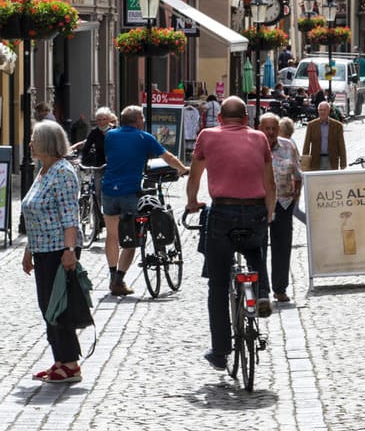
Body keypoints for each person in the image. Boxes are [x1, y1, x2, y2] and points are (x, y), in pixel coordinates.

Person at [186, 96, 277, 371]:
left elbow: (194, 175)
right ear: (247, 119)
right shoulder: (260, 138)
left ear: (220, 119)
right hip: (255, 211)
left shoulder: (208, 136)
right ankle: (261, 293)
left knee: (217, 284)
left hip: (223, 212)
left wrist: (192, 202)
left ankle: (221, 350)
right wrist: (269, 213)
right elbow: (269, 182)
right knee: (255, 248)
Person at [19, 120, 84, 383]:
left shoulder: (63, 172)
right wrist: (28, 249)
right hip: (43, 248)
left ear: (47, 142)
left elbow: (70, 216)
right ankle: (60, 360)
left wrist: (69, 250)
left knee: (57, 307)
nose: (30, 143)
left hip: (59, 249)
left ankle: (70, 364)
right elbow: (35, 215)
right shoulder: (43, 170)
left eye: (34, 138)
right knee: (48, 306)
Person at [100, 105, 185, 296]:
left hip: (108, 191)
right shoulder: (144, 137)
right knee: (131, 238)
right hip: (130, 192)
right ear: (138, 120)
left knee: (112, 236)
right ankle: (119, 280)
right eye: (142, 118)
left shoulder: (111, 136)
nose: (144, 121)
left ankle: (112, 274)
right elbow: (167, 157)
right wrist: (182, 168)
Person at [260, 113, 301, 304]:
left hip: (283, 203)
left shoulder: (289, 146)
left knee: (282, 247)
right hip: (258, 202)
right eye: (266, 128)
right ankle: (261, 289)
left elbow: (298, 174)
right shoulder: (252, 145)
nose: (270, 132)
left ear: (279, 129)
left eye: (273, 128)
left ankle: (280, 288)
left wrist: (296, 197)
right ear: (259, 128)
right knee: (258, 247)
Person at [301, 100, 347, 173]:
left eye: (324, 110)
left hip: (331, 160)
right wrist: (305, 162)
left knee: (331, 182)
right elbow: (306, 144)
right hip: (316, 160)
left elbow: (341, 145)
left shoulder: (337, 126)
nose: (322, 112)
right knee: (317, 183)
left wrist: (343, 163)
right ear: (318, 111)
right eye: (320, 110)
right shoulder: (311, 125)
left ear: (328, 111)